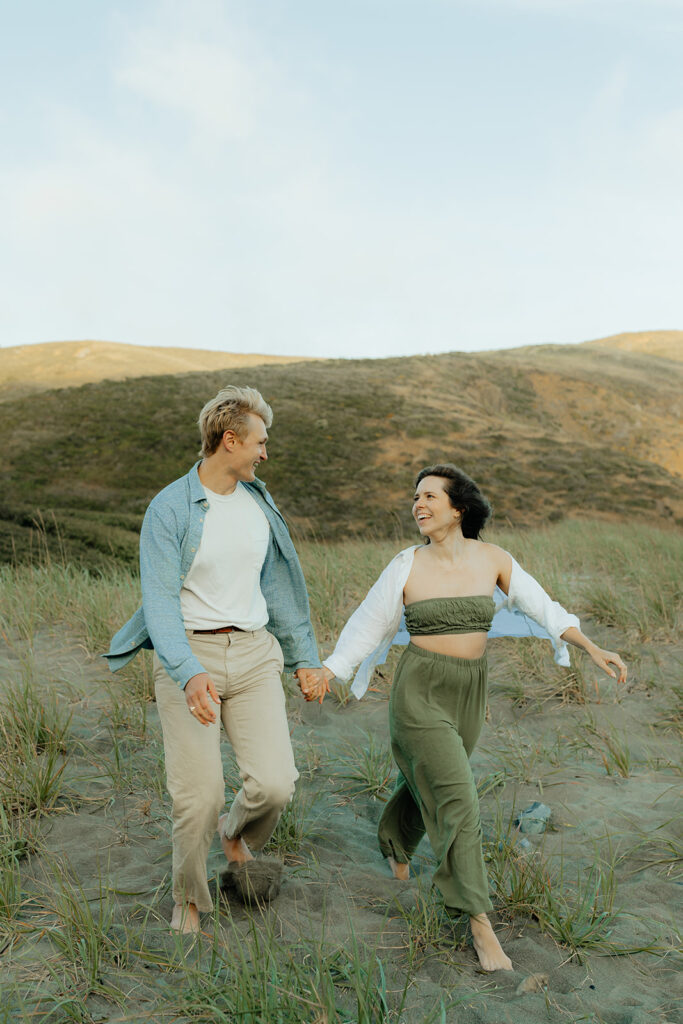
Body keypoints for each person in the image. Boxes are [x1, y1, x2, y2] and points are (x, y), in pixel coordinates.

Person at [320, 464, 627, 972]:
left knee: (438, 781)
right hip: (419, 694)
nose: (418, 504)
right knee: (460, 800)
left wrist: (590, 646)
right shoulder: (406, 565)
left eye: (429, 496)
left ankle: (395, 843)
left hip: (468, 693)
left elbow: (543, 607)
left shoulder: (494, 560)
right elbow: (366, 626)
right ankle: (481, 927)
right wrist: (330, 670)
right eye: (415, 497)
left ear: (458, 507)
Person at [105, 385, 325, 933]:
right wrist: (188, 671)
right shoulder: (169, 508)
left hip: (253, 654)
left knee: (274, 784)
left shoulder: (259, 503)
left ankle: (236, 836)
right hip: (190, 655)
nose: (265, 453)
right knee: (197, 795)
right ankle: (190, 898)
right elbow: (158, 603)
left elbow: (280, 587)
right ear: (230, 440)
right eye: (260, 442)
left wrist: (304, 658)